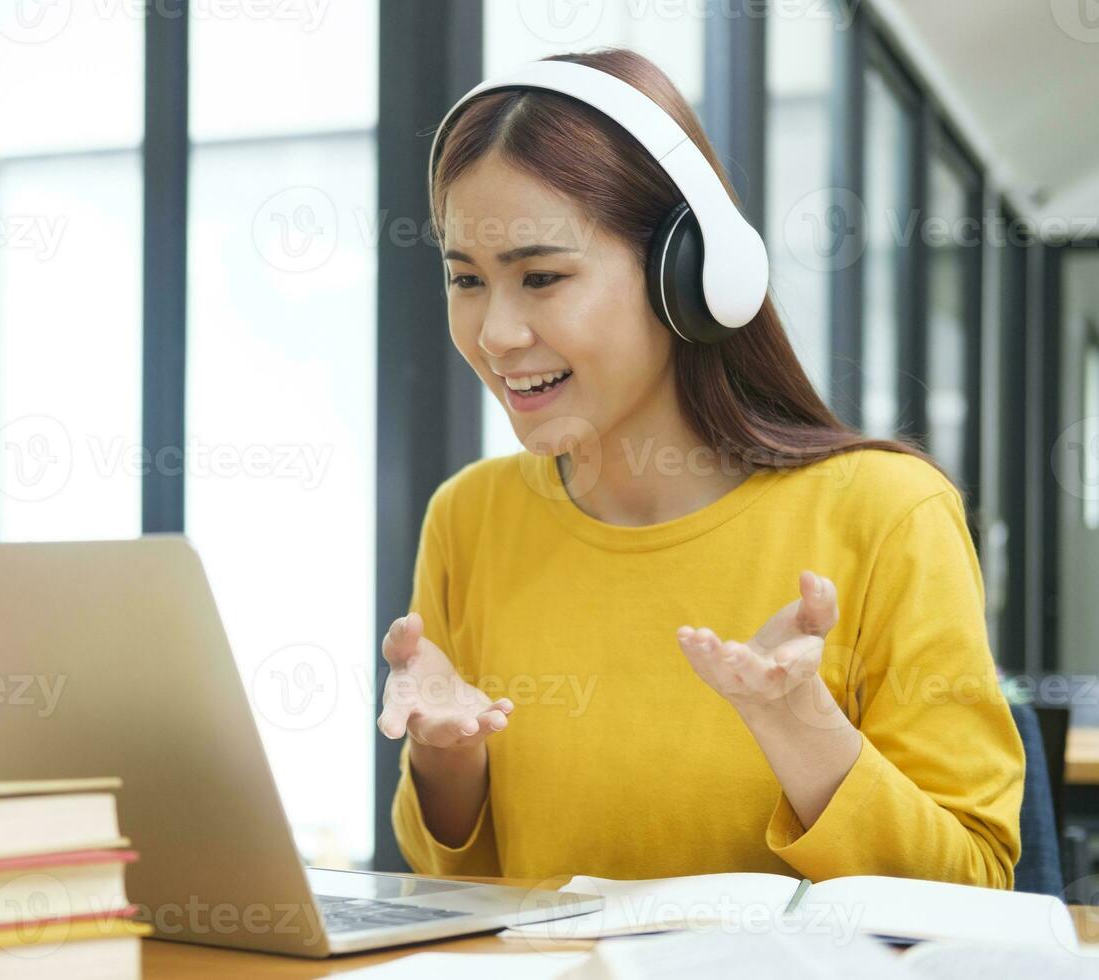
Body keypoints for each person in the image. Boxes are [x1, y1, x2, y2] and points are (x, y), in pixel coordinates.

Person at [377, 47, 1023, 888]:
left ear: (691, 273)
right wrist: (444, 758)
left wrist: (800, 727)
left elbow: (973, 883)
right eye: (466, 278)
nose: (495, 333)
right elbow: (456, 887)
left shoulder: (886, 514)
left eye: (541, 276)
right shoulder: (471, 516)